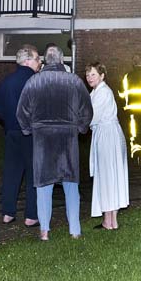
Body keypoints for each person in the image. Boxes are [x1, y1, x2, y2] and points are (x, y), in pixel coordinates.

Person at [17, 45, 93, 241]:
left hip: (43, 139)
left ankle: (44, 230)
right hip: (67, 138)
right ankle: (74, 230)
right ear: (61, 60)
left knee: (43, 185)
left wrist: (29, 129)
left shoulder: (34, 81)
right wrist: (80, 128)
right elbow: (87, 110)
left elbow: (21, 112)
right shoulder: (74, 81)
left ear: (45, 60)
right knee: (70, 184)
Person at [0, 45, 40, 227]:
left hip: (12, 131)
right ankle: (31, 215)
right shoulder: (35, 81)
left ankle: (7, 212)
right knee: (33, 173)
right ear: (28, 60)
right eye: (37, 59)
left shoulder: (6, 81)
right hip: (31, 132)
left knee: (11, 172)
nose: (39, 63)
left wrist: (9, 124)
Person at [86, 62, 129, 230]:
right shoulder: (96, 92)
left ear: (102, 76)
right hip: (105, 134)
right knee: (108, 175)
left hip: (107, 135)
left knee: (109, 174)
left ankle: (111, 220)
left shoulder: (103, 92)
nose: (89, 78)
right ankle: (109, 219)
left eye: (93, 75)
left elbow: (92, 116)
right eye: (88, 75)